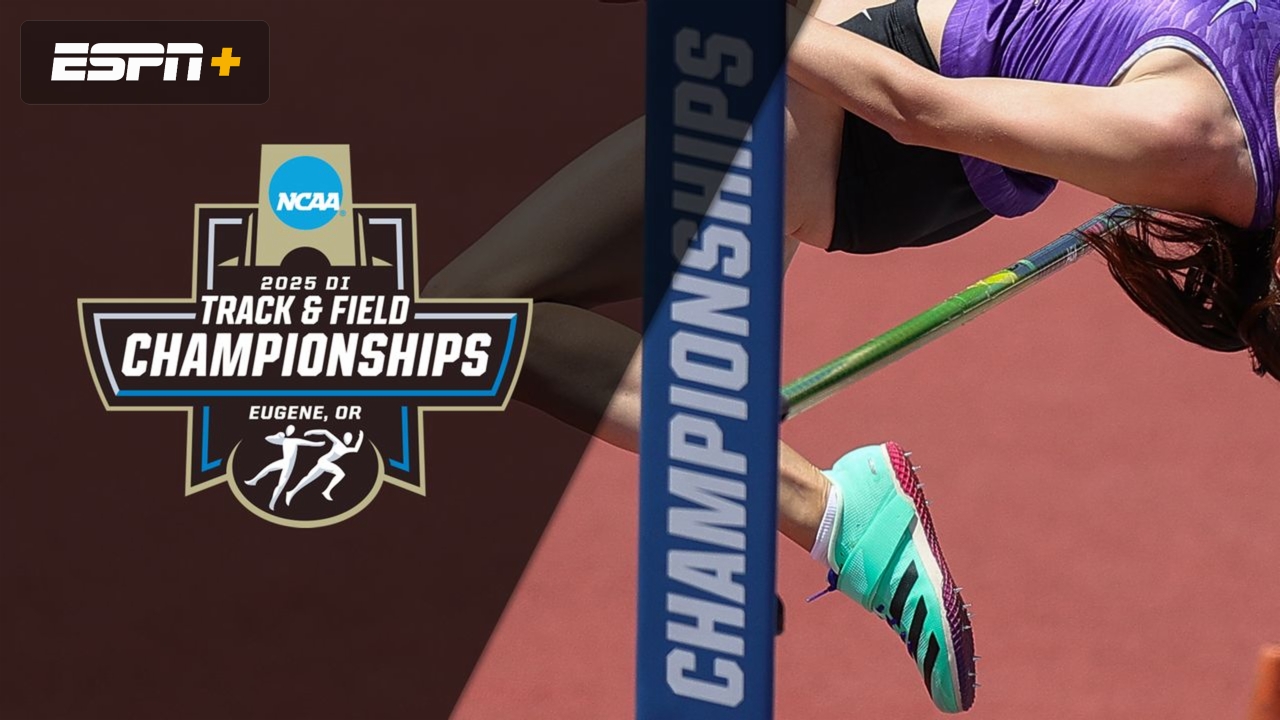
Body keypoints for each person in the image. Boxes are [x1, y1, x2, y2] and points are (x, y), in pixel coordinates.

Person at [424, 0, 1280, 711]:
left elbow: (917, 109)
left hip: (864, 115)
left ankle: (834, 511)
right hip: (868, 70)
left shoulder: (1192, 137)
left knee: (467, 316)